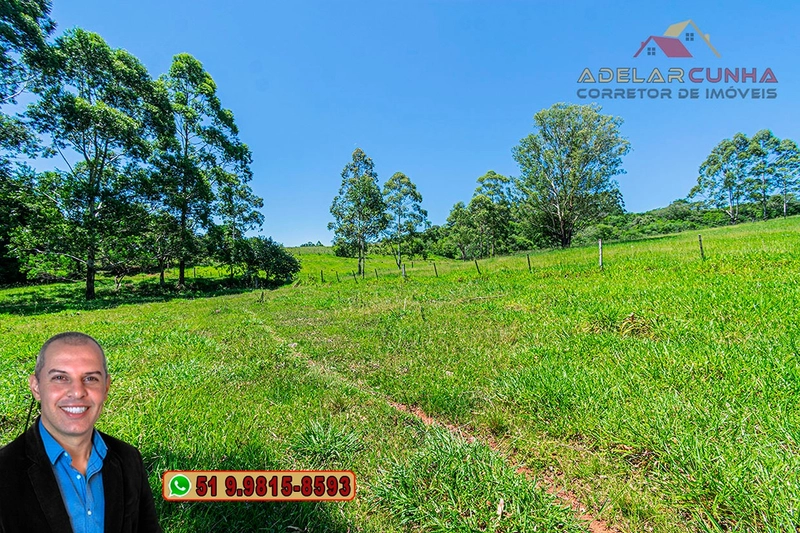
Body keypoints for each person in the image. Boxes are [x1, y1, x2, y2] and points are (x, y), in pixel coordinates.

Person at [0, 332, 162, 533]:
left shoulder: (128, 459)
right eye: (60, 378)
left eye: (90, 378)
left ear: (106, 387)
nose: (77, 392)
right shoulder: (4, 471)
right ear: (36, 387)